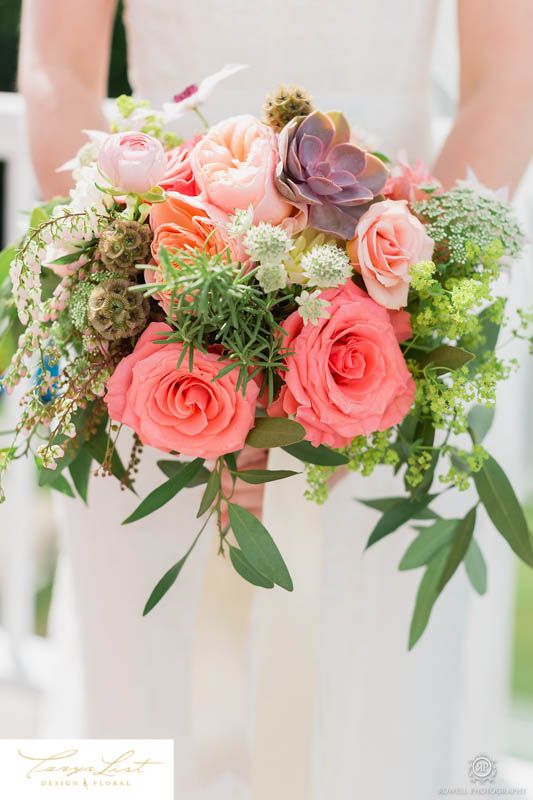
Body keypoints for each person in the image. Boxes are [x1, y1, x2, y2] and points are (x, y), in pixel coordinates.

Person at [18, 1, 533, 798]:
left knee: (365, 704)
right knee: (145, 688)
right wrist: (124, 270)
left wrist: (404, 288)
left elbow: (505, 81)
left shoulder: (390, 322)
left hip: (380, 350)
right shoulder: (147, 309)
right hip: (158, 333)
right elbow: (57, 65)